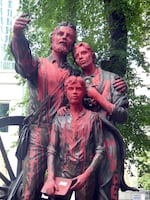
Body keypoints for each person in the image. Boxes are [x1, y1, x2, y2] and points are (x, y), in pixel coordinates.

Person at [10, 14, 80, 200]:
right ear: (52, 38)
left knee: (62, 190)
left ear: (72, 44)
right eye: (60, 33)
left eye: (69, 36)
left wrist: (115, 84)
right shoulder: (38, 65)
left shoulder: (76, 74)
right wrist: (17, 35)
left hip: (65, 136)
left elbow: (91, 93)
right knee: (30, 186)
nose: (64, 37)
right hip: (38, 132)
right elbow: (23, 60)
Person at [73, 42, 136, 200]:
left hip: (107, 138)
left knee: (108, 190)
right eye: (77, 56)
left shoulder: (113, 79)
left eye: (84, 53)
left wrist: (98, 97)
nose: (81, 57)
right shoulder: (74, 83)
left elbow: (122, 116)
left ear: (92, 55)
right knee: (84, 192)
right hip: (83, 142)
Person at [42, 75, 105, 200]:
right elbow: (52, 149)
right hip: (62, 173)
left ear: (84, 92)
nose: (75, 92)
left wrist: (86, 175)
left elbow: (100, 150)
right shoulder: (59, 118)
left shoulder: (93, 118)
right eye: (71, 89)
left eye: (78, 89)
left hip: (85, 174)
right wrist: (50, 178)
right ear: (65, 92)